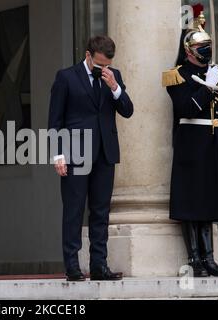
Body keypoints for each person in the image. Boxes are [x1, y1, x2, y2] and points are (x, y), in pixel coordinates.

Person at [163, 14, 218, 277]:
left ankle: (209, 259)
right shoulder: (178, 76)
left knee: (209, 200)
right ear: (189, 51)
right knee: (192, 201)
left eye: (207, 47)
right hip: (192, 143)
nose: (206, 52)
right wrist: (207, 87)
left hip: (215, 143)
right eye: (201, 48)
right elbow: (185, 107)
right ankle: (195, 259)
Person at [48, 36, 134, 281]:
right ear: (88, 55)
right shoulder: (66, 77)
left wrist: (115, 88)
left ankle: (99, 265)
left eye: (106, 64)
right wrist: (58, 154)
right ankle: (72, 265)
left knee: (100, 212)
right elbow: (55, 120)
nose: (102, 69)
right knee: (74, 210)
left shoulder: (113, 75)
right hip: (76, 154)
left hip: (105, 154)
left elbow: (127, 110)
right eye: (98, 65)